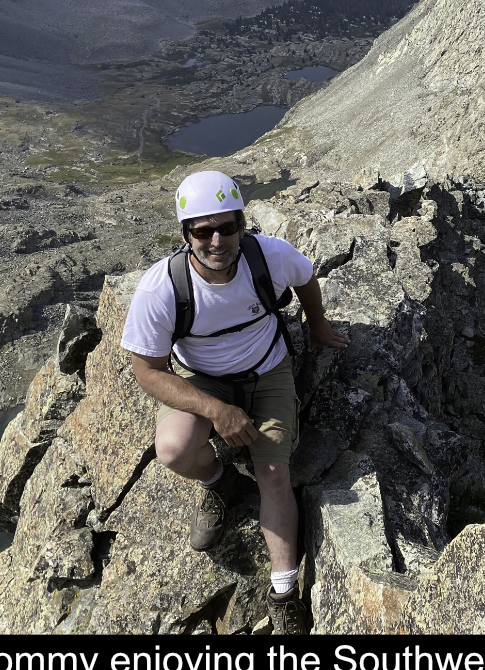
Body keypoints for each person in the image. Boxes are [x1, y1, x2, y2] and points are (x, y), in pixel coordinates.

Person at [120, 170, 349, 634]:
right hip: (202, 379)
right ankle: (219, 482)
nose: (217, 240)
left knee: (273, 472)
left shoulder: (269, 257)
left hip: (267, 369)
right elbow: (147, 370)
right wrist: (215, 410)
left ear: (243, 225)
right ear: (186, 235)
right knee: (175, 450)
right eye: (203, 231)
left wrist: (318, 325)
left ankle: (283, 592)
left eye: (227, 227)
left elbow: (305, 279)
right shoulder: (161, 288)